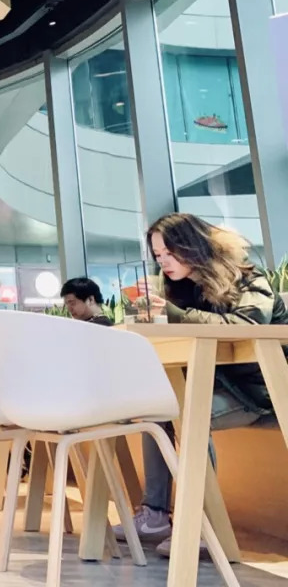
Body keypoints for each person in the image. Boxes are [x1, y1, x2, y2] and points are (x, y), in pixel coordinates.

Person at [115, 213, 287, 557]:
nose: (164, 262)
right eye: (158, 255)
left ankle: (201, 526)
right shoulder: (181, 289)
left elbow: (245, 325)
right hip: (221, 386)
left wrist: (173, 314)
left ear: (193, 246)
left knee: (188, 417)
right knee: (159, 413)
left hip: (265, 391)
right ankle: (155, 515)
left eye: (170, 252)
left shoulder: (246, 278)